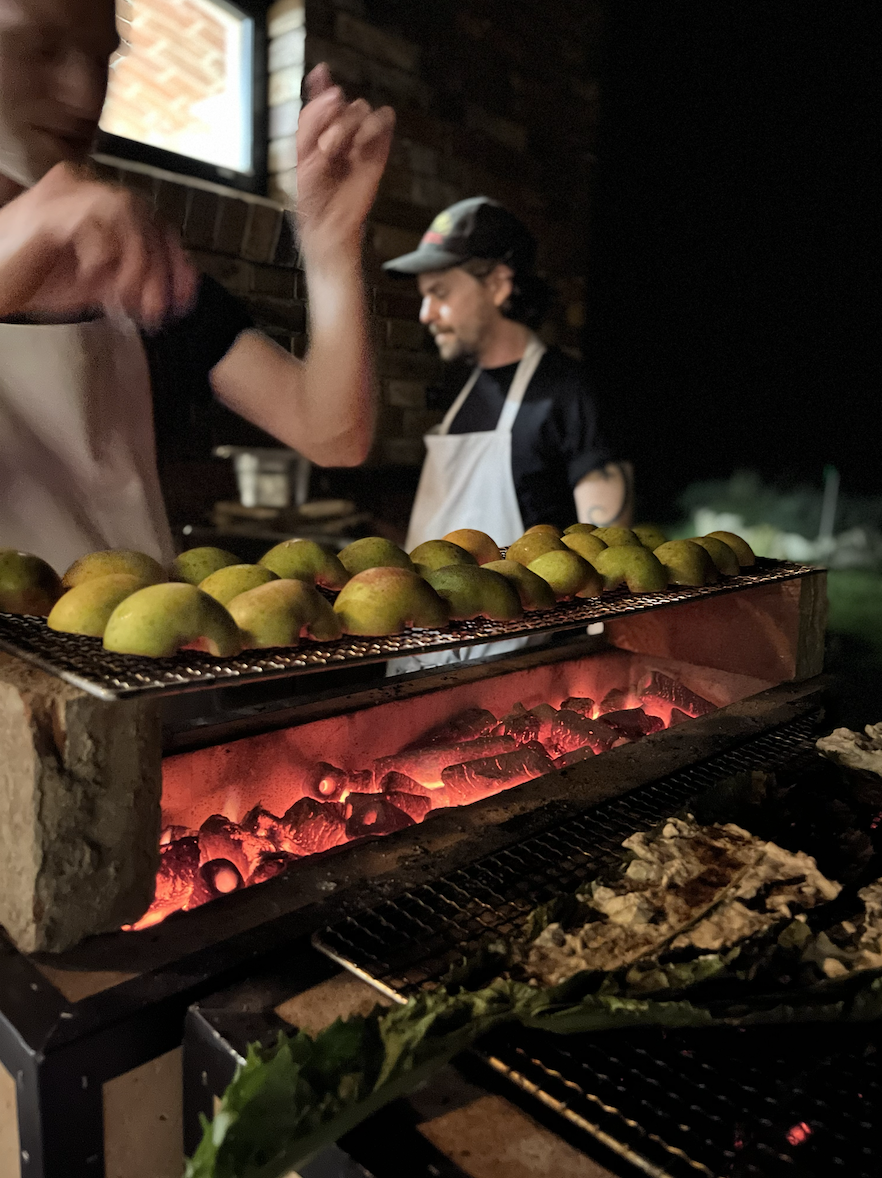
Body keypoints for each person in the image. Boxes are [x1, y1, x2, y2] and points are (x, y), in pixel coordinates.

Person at [0, 0, 394, 573]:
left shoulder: (131, 260)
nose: (86, 95)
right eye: (41, 46)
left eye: (105, 57)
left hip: (138, 627)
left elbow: (332, 433)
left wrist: (331, 244)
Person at [383, 196, 631, 551]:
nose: (426, 314)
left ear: (498, 285)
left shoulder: (570, 392)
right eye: (424, 296)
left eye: (439, 293)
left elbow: (608, 555)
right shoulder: (458, 390)